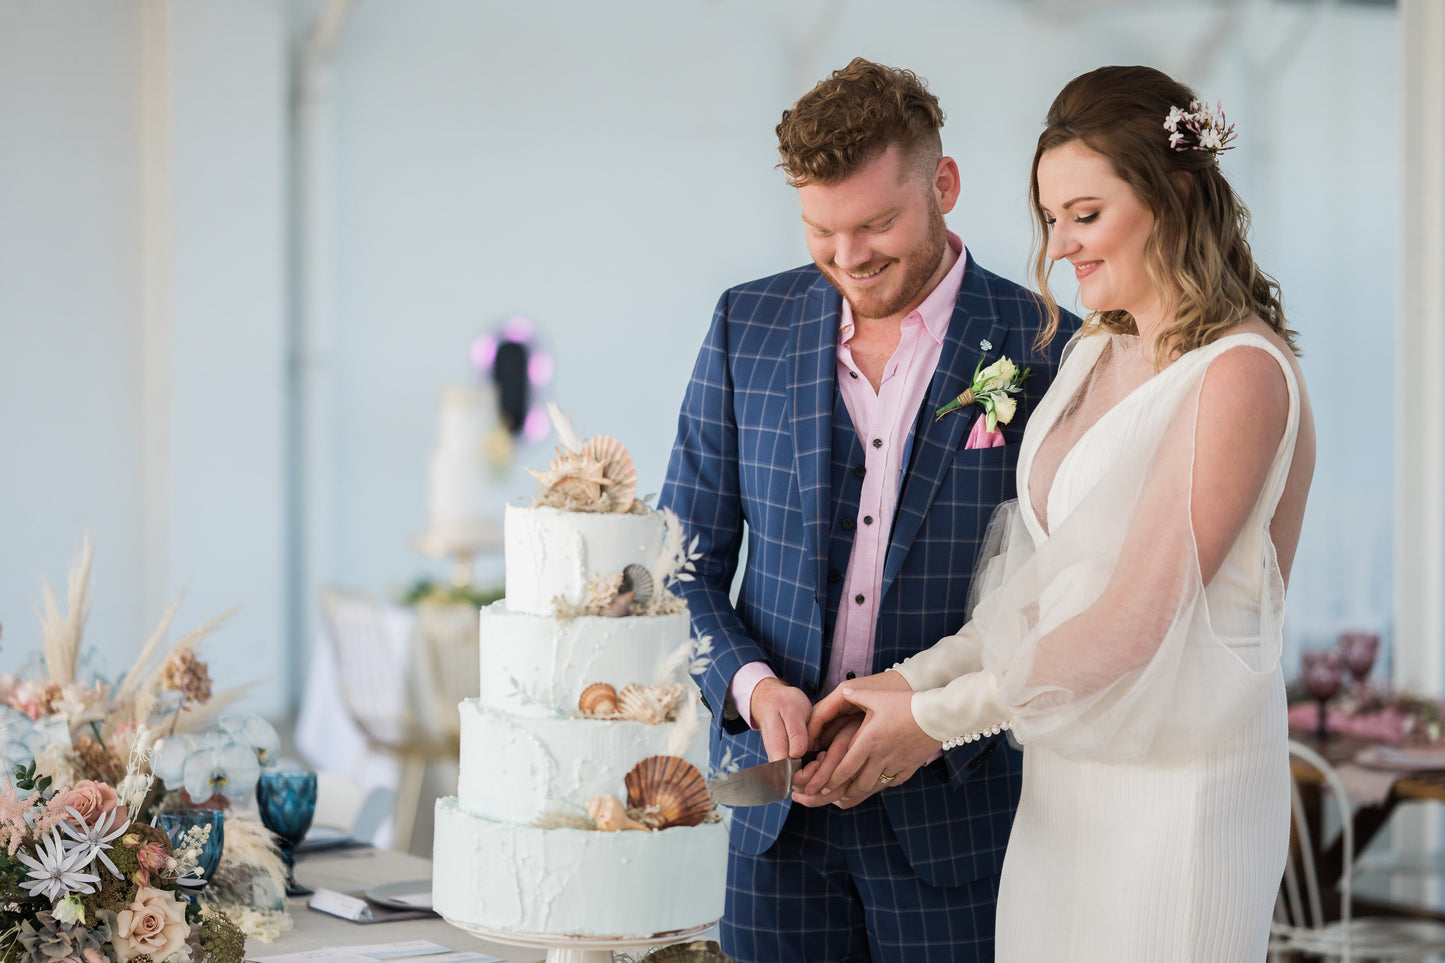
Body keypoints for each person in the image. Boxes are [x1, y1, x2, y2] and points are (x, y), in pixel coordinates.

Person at [801, 64, 1317, 960]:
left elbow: (1135, 616)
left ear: (1175, 193)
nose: (1061, 244)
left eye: (1086, 213)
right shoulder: (1092, 348)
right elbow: (1046, 587)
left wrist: (936, 721)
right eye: (1050, 218)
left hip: (1177, 800)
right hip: (1062, 790)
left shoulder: (1239, 374)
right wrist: (910, 680)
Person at [659, 58, 1078, 963]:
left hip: (957, 823)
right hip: (774, 837)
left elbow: (1062, 598)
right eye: (822, 230)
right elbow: (675, 567)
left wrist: (934, 724)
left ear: (945, 185)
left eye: (878, 223)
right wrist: (750, 686)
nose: (849, 258)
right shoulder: (747, 325)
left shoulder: (1050, 350)